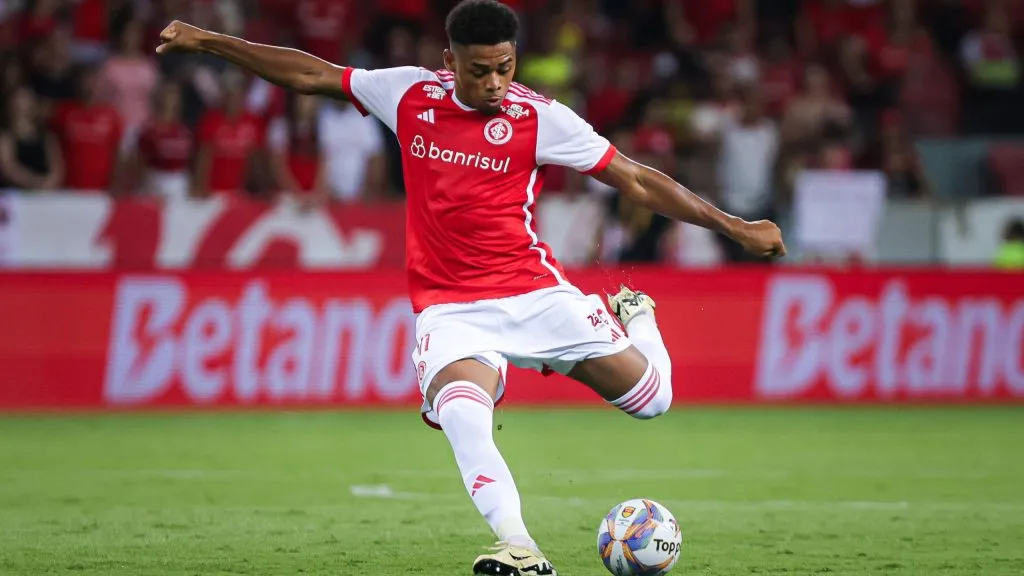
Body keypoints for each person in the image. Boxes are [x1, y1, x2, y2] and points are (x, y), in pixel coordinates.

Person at [155, 2, 785, 574]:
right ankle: (521, 547)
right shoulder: (407, 93)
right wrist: (209, 41)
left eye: (505, 69)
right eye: (479, 71)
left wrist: (734, 226)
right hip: (451, 309)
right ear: (449, 61)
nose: (494, 84)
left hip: (534, 293)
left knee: (653, 401)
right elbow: (310, 74)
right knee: (462, 412)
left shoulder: (539, 118)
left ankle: (635, 314)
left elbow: (636, 179)